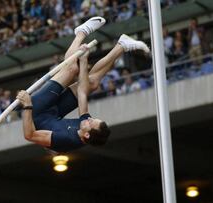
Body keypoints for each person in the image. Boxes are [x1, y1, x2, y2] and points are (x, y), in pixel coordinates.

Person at [16, 17, 149, 152]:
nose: (90, 119)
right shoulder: (86, 127)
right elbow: (82, 92)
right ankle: (122, 45)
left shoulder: (66, 139)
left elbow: (29, 135)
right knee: (92, 83)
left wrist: (27, 106)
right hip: (54, 113)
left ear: (86, 134)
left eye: (91, 122)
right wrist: (84, 60)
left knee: (72, 69)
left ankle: (81, 32)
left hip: (37, 111)